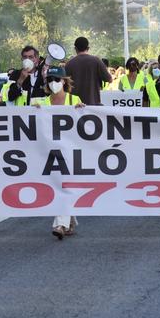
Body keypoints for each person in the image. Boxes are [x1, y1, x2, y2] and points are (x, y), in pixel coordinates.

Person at [35, 66, 84, 239]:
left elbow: (84, 123)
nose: (53, 83)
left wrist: (82, 111)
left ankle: (60, 224)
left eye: (57, 79)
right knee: (60, 186)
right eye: (50, 80)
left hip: (71, 152)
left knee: (65, 185)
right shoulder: (42, 103)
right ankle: (69, 221)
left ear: (64, 81)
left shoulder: (74, 99)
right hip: (50, 152)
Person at [64, 37, 112, 105]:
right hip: (94, 105)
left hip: (76, 107)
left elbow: (64, 85)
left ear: (75, 49)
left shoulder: (69, 64)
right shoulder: (96, 61)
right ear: (88, 48)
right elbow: (109, 79)